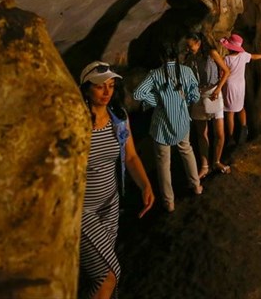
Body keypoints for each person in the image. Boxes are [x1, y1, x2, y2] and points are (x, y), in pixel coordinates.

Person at [78, 61, 154, 299]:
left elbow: (130, 156)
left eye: (111, 86)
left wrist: (145, 185)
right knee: (109, 275)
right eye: (100, 86)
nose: (107, 92)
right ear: (86, 89)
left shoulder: (118, 117)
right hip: (82, 210)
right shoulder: (77, 122)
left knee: (101, 277)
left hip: (110, 207)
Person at [133, 44, 203, 213]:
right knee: (186, 150)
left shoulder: (155, 74)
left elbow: (137, 94)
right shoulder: (186, 71)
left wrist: (157, 101)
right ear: (176, 55)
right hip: (182, 121)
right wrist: (184, 102)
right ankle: (196, 185)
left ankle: (169, 202)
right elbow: (195, 94)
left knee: (163, 163)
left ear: (161, 57)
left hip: (162, 126)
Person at [186, 32, 232, 177]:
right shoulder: (190, 58)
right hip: (199, 94)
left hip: (213, 92)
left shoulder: (212, 54)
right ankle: (205, 166)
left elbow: (226, 71)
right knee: (202, 133)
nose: (188, 49)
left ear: (198, 43)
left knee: (219, 133)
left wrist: (218, 89)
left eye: (190, 46)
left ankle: (216, 161)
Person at [219, 33, 261, 148]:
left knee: (230, 112)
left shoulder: (226, 59)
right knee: (241, 107)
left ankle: (231, 138)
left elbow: (221, 74)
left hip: (230, 86)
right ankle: (244, 127)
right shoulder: (243, 56)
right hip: (240, 85)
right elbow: (253, 57)